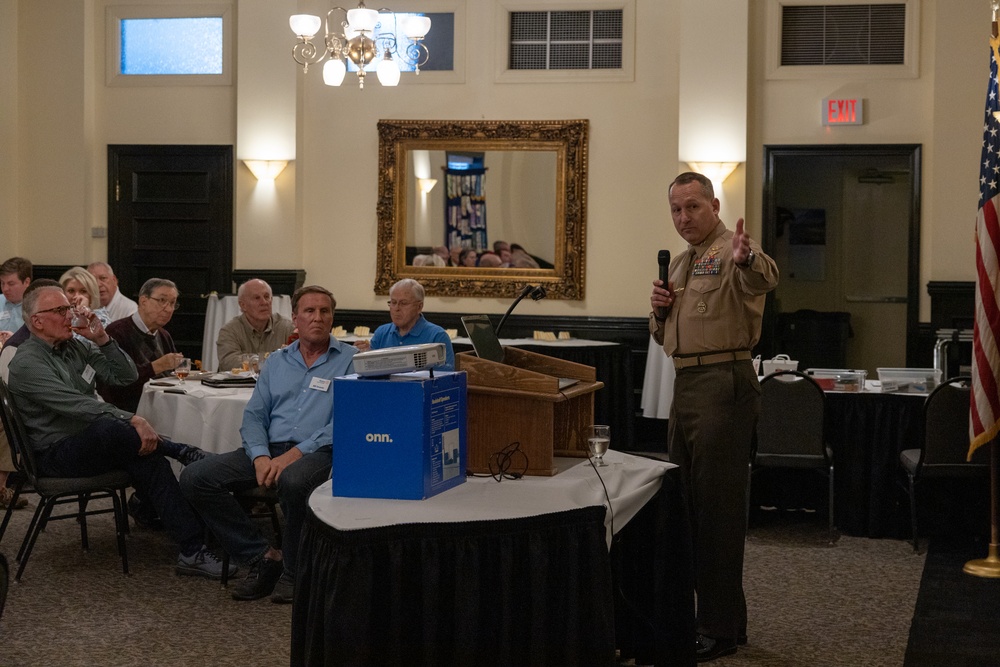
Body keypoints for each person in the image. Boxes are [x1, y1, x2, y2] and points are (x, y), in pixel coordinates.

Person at [6, 284, 227, 578]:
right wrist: (133, 419)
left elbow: (126, 375)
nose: (69, 315)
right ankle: (181, 451)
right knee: (110, 429)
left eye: (69, 308)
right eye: (60, 311)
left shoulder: (75, 345)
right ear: (37, 321)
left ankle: (192, 549)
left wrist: (102, 338)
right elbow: (77, 406)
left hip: (91, 442)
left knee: (147, 457)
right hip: (53, 453)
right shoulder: (27, 362)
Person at [649, 171, 778, 662]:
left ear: (715, 205)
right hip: (686, 385)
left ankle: (718, 629)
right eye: (676, 210)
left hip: (724, 384)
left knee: (718, 511)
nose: (684, 218)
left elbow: (762, 275)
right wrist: (659, 311)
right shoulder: (680, 264)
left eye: (693, 207)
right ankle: (728, 621)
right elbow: (664, 336)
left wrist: (747, 258)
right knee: (689, 506)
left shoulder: (733, 250)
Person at [180, 285, 357, 603]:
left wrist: (294, 454)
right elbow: (253, 417)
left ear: (332, 318)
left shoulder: (351, 361)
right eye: (309, 311)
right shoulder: (276, 362)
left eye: (324, 311)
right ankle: (262, 556)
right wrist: (260, 456)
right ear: (295, 319)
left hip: (319, 451)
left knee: (293, 480)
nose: (317, 317)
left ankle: (294, 570)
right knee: (196, 477)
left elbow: (346, 423)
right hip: (270, 449)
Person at [98, 278, 184, 414]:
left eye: (172, 303)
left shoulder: (164, 335)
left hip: (164, 406)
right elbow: (115, 384)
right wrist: (156, 366)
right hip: (128, 411)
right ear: (143, 301)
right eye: (162, 301)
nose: (168, 309)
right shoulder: (117, 331)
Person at [353, 279, 455, 371]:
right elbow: (370, 373)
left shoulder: (437, 336)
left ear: (419, 307)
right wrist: (363, 356)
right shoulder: (382, 333)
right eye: (393, 302)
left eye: (403, 303)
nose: (396, 308)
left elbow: (447, 377)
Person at [216, 278, 295, 372]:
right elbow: (228, 363)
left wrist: (252, 362)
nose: (264, 302)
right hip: (240, 385)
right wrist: (271, 360)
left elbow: (297, 359)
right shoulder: (229, 331)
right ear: (243, 305)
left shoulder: (287, 327)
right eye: (257, 298)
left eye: (267, 297)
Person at [0, 257, 32, 342]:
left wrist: (16, 340)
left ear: (26, 282)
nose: (5, 289)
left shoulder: (37, 305)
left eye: (11, 284)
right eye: (2, 283)